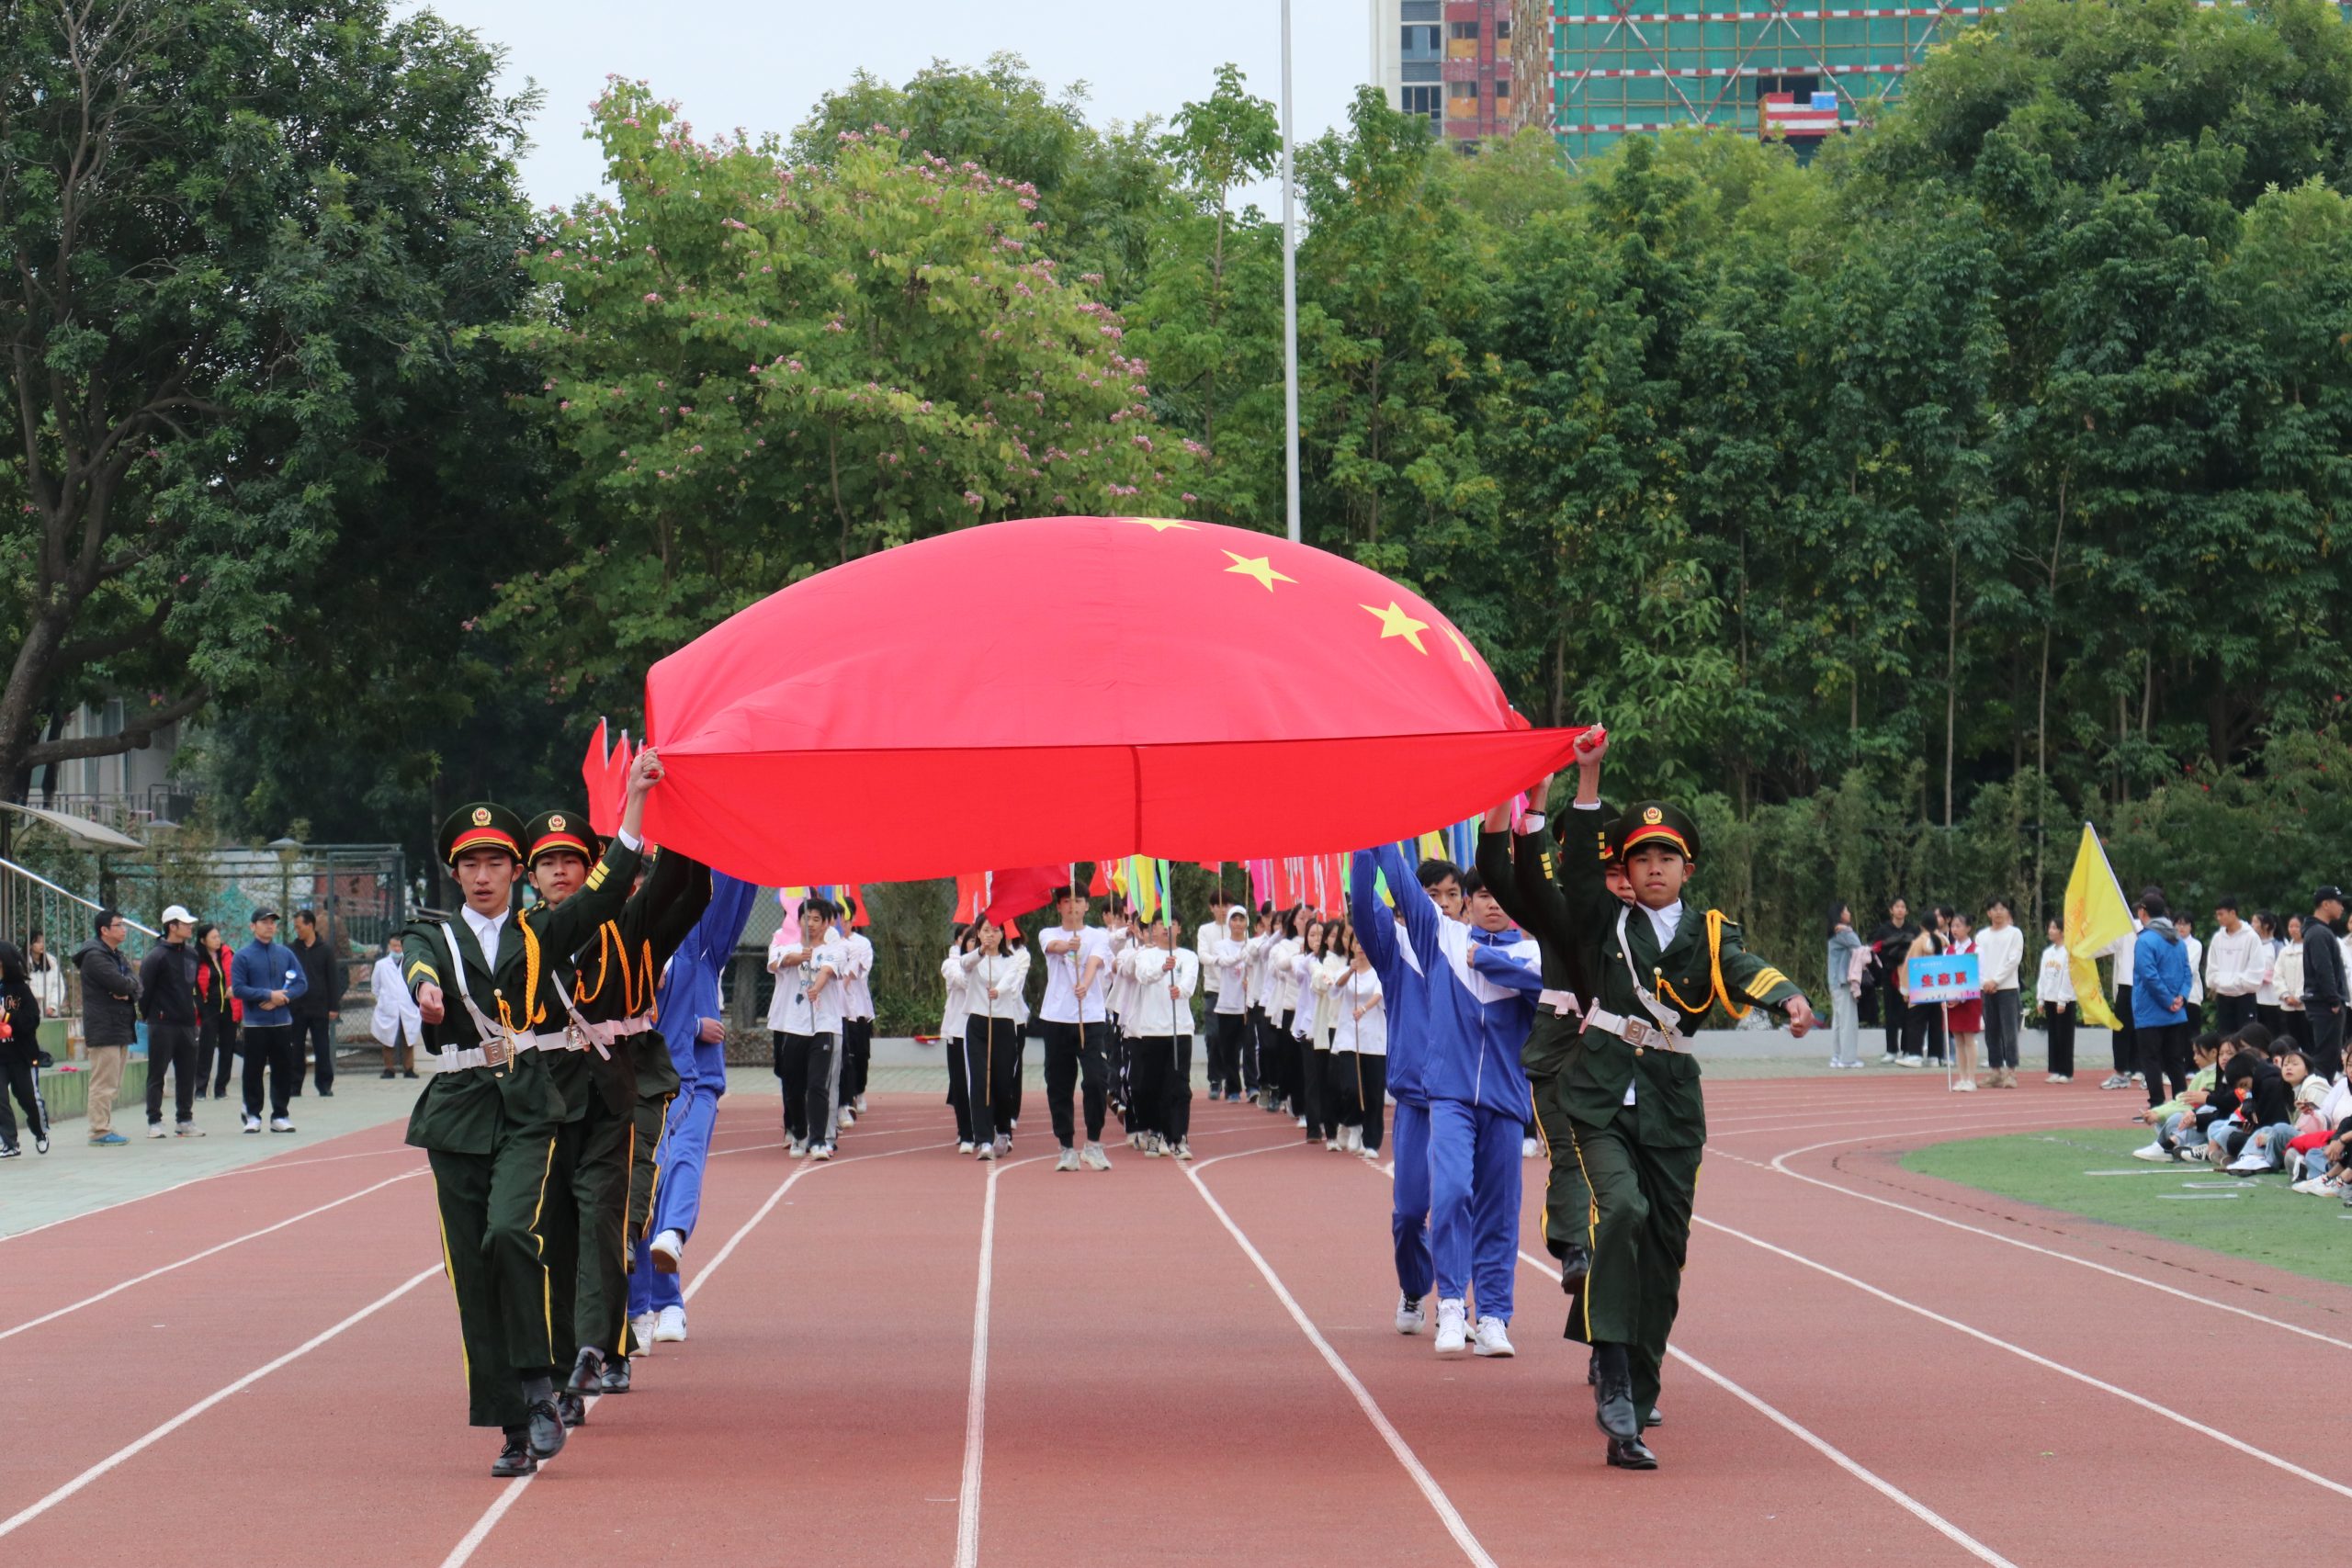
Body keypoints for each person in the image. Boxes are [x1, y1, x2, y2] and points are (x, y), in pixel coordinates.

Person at [1533, 735, 1813, 1470]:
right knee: (1620, 1210)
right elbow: (1575, 860)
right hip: (1597, 1099)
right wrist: (1586, 774)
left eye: (1667, 857)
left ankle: (1639, 1390)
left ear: (1688, 867)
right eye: (1639, 858)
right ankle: (1614, 1376)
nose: (1653, 868)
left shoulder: (1708, 932)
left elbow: (1745, 969)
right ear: (1621, 870)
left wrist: (1786, 995)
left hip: (1670, 1108)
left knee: (1664, 1253)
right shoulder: (1601, 921)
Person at [401, 749, 662, 1478]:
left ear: (516, 871)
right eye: (470, 863)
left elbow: (607, 892)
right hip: (455, 1111)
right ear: (454, 872)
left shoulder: (539, 930)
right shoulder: (434, 933)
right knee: (472, 1273)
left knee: (514, 1235)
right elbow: (415, 962)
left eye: (496, 862)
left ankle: (542, 1381)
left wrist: (635, 803)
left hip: (524, 1104)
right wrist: (425, 991)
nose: (483, 875)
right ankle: (515, 1424)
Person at [527, 814, 710, 1406]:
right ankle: (585, 1357)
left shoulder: (625, 927)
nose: (560, 872)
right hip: (552, 1096)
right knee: (556, 1233)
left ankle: (603, 1349)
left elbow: (688, 886)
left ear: (595, 868)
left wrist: (679, 811)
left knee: (619, 1220)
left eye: (572, 861)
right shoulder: (525, 935)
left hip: (625, 1086)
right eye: (548, 863)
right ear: (532, 876)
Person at [1373, 839, 1541, 1363]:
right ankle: (1450, 1304)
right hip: (1447, 1096)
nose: (1492, 903)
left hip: (1506, 1101)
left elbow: (1555, 993)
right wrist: (1377, 823)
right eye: (1482, 894)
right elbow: (1399, 881)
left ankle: (1492, 1315)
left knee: (1500, 1211)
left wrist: (1491, 962)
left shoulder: (1533, 952)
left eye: (1502, 895)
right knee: (1448, 1194)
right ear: (1465, 904)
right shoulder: (1441, 937)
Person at [638, 871, 759, 1347]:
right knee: (640, 1189)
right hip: (638, 1083)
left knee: (680, 1159)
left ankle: (674, 1238)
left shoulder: (699, 942)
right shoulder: (628, 946)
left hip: (695, 1079)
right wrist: (690, 1023)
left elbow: (734, 883)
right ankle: (651, 1306)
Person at [1037, 886, 1116, 1172]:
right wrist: (1066, 946)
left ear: (1086, 906)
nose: (1072, 906)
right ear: (1059, 906)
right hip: (1057, 1018)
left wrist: (1085, 982)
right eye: (1067, 901)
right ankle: (1066, 1147)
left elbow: (1096, 960)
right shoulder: (1050, 933)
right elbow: (1052, 948)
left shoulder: (1098, 935)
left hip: (1091, 1018)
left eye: (1078, 901)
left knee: (1096, 1080)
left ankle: (1093, 1143)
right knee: (1059, 1083)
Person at [768, 897, 847, 1159]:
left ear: (827, 923)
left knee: (817, 1085)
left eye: (816, 919)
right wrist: (794, 957)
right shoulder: (785, 947)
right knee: (792, 1085)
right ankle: (799, 1134)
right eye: (806, 918)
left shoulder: (835, 949)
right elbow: (777, 964)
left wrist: (816, 987)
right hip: (793, 1026)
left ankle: (817, 1141)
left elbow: (827, 970)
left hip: (824, 1026)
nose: (810, 924)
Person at [1121, 917, 1197, 1159]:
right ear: (1152, 929)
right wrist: (1163, 968)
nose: (1166, 928)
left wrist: (1180, 990)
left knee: (1179, 1086)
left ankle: (1179, 1137)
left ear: (1180, 928)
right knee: (1149, 1086)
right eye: (1161, 923)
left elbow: (1190, 982)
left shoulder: (1188, 956)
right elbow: (1143, 976)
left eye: (1172, 923)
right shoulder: (1146, 955)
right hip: (1151, 1030)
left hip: (1180, 1029)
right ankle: (1156, 1132)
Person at [958, 918, 1030, 1160]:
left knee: (1001, 1081)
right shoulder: (974, 959)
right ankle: (983, 1139)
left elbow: (1012, 981)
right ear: (978, 933)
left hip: (1003, 1024)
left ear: (1003, 935)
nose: (991, 935)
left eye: (996, 930)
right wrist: (980, 950)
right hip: (978, 1024)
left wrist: (998, 990)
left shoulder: (1012, 960)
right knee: (979, 1080)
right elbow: (965, 965)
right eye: (986, 930)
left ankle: (1003, 1131)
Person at [231, 908, 306, 1134]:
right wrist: (266, 995)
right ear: (253, 926)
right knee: (253, 1070)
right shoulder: (243, 956)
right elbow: (239, 988)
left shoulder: (285, 954)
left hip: (282, 1023)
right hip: (255, 1024)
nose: (269, 926)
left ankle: (280, 1115)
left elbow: (301, 983)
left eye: (272, 922)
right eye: (264, 922)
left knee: (283, 1069)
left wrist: (282, 998)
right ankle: (252, 1115)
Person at [74, 908, 141, 1146]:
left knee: (113, 1082)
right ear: (104, 930)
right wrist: (127, 988)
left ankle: (104, 1127)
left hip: (119, 1025)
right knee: (103, 1082)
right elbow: (119, 985)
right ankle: (99, 1130)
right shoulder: (95, 956)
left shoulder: (116, 955)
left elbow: (134, 985)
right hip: (104, 1028)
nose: (123, 929)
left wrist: (128, 989)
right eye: (118, 925)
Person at [140, 905, 204, 1137]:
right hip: (162, 1024)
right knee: (157, 1073)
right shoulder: (156, 956)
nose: (190, 927)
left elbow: (192, 987)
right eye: (185, 923)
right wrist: (149, 1017)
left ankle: (185, 1119)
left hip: (187, 1023)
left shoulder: (192, 954)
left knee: (187, 1073)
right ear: (172, 926)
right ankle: (154, 1121)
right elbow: (144, 992)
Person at [2132, 895, 2193, 1107]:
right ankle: (2181, 1103)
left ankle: (2157, 1105)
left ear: (2142, 911)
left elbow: (2148, 975)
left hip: (2151, 1012)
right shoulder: (2178, 940)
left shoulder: (2145, 940)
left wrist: (2167, 1000)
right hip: (2176, 1013)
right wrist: (2181, 998)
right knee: (2175, 1061)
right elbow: (2188, 972)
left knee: (2151, 1061)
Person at [1334, 930, 1387, 1158]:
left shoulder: (1379, 972)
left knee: (1374, 1093)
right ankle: (1351, 1122)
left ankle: (1372, 1142)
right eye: (1357, 942)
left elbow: (1379, 994)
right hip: (1349, 1038)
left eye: (1365, 942)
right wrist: (1350, 970)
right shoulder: (1348, 970)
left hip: (1373, 1039)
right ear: (1351, 945)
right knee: (1350, 1087)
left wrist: (1363, 1009)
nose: (1361, 946)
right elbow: (1335, 988)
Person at [0, 940, 50, 1156]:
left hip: (21, 1056)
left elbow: (32, 1020)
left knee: (29, 1098)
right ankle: (9, 1143)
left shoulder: (20, 989)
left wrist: (6, 1016)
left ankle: (40, 1132)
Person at [288, 907, 343, 1097]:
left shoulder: (325, 950)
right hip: (297, 1007)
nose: (297, 930)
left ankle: (324, 1084)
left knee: (322, 1047)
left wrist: (334, 1006)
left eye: (299, 926)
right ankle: (295, 1085)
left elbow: (332, 980)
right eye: (295, 927)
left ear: (310, 925)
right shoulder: (291, 950)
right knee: (296, 1047)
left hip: (319, 1007)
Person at [1206, 907, 1253, 1102]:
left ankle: (1253, 1086)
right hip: (1226, 1004)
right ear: (1229, 923)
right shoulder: (1221, 945)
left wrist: (1250, 979)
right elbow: (1224, 962)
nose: (1238, 924)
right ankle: (1233, 1088)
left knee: (1250, 1047)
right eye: (1234, 919)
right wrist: (1240, 956)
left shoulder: (1252, 945)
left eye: (1241, 920)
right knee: (1229, 1050)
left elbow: (1256, 968)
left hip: (1246, 1004)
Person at [1977, 898, 2024, 1089]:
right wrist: (1985, 983)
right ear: (1989, 913)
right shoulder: (1981, 936)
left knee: (2009, 1031)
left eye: (2002, 908)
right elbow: (1977, 961)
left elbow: (2013, 960)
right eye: (1994, 909)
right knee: (1991, 1031)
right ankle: (1995, 1071)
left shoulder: (2014, 933)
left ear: (2007, 912)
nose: (1998, 912)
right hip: (1986, 989)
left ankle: (2011, 1072)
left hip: (2007, 989)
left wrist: (1995, 980)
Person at [2301, 886, 2347, 1081]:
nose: (2342, 907)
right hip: (2325, 1004)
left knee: (2326, 1056)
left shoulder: (2319, 931)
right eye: (2339, 902)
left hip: (2322, 1003)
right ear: (2326, 904)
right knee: (2325, 1058)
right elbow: (2323, 969)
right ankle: (2316, 1102)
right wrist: (2334, 1000)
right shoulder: (2319, 932)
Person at [836, 908, 876, 1122]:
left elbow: (860, 971)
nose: (841, 923)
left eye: (844, 919)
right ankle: (845, 1099)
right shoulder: (829, 944)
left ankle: (859, 1091)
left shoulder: (863, 944)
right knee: (844, 1056)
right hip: (838, 1009)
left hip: (859, 1008)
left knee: (860, 1054)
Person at [941, 925, 978, 1151]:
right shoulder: (951, 964)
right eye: (969, 940)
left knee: (981, 1083)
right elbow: (964, 981)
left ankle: (982, 1128)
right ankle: (965, 1133)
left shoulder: (991, 965)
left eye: (977, 939)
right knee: (960, 1084)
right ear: (961, 943)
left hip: (981, 1030)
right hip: (957, 1031)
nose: (974, 943)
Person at [1866, 900, 1917, 1064]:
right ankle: (1891, 1050)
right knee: (1890, 1013)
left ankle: (1908, 1049)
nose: (1900, 910)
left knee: (1909, 1013)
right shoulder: (1883, 930)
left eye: (1903, 907)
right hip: (1889, 976)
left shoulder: (1912, 929)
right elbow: (1875, 951)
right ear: (1891, 910)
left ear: (1907, 911)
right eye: (1897, 907)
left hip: (1908, 977)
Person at [2101, 901, 2145, 1090]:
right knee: (2122, 1029)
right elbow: (2105, 946)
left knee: (2143, 1030)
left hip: (2145, 985)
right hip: (2127, 985)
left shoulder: (2159, 930)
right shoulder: (2126, 928)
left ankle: (2140, 1069)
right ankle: (2123, 1070)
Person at [193, 923, 240, 1100]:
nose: (218, 940)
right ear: (203, 940)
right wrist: (202, 1008)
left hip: (229, 1008)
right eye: (213, 937)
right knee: (206, 1049)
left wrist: (233, 988)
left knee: (228, 1048)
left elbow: (239, 976)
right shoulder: (196, 959)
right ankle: (201, 1088)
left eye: (219, 936)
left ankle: (221, 1088)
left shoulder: (228, 955)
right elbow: (194, 986)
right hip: (209, 1009)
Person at [1898, 910, 1950, 1066]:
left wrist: (1905, 989)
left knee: (1916, 1022)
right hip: (1939, 988)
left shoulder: (1919, 942)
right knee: (1936, 1022)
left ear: (1921, 926)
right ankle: (1935, 1056)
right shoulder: (1944, 941)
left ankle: (1915, 1055)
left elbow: (1910, 966)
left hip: (1921, 988)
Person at [2207, 899, 2263, 1034]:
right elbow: (2212, 967)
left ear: (2233, 913)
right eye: (2217, 915)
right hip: (2223, 997)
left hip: (2244, 996)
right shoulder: (2217, 938)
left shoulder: (2251, 937)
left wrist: (2237, 984)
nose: (2218, 918)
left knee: (2246, 1037)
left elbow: (2256, 971)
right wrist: (2219, 983)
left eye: (2221, 914)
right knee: (2225, 1037)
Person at [372, 935, 423, 1078]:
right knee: (387, 1039)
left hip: (407, 1006)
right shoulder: (381, 965)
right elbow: (375, 987)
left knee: (408, 1038)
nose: (396, 949)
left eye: (399, 946)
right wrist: (383, 1001)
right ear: (389, 946)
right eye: (393, 946)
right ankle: (389, 1069)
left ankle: (409, 1069)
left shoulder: (411, 963)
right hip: (388, 1007)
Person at [1944, 912, 1984, 1091]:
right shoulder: (1948, 950)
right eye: (1953, 926)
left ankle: (1971, 1078)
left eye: (1959, 926)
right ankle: (1961, 1077)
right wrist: (1944, 998)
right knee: (1957, 1040)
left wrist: (1961, 998)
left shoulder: (1976, 950)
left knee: (1969, 1039)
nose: (1955, 929)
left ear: (1968, 928)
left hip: (1969, 1001)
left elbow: (1978, 976)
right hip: (1952, 1002)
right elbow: (1943, 977)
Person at [2035, 919, 2076, 1083]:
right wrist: (2040, 998)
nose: (2050, 931)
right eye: (2050, 927)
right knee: (2053, 1034)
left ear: (2063, 931)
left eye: (2054, 928)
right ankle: (2055, 1069)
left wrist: (2063, 999)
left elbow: (2068, 977)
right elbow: (2043, 977)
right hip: (2050, 998)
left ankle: (2066, 1071)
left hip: (2064, 1000)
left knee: (2064, 1035)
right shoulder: (2048, 952)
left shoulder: (2068, 952)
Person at [1826, 904, 1863, 1069]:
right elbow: (1859, 947)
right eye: (1846, 910)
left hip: (1835, 982)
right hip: (1843, 982)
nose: (1849, 913)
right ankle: (1847, 1059)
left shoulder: (1835, 932)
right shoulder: (1842, 932)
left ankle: (1837, 1055)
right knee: (1848, 1021)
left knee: (1839, 1021)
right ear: (1840, 915)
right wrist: (1849, 930)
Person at [2253, 912, 2287, 1039]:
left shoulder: (2278, 945)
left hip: (2273, 997)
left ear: (2266, 925)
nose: (2253, 925)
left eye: (2256, 922)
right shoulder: (2254, 944)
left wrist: (2261, 976)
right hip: (2257, 996)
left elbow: (2281, 968)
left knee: (2274, 1031)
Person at [25, 931, 65, 1018]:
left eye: (43, 942)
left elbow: (58, 987)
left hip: (50, 1013)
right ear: (30, 945)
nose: (42, 945)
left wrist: (53, 1006)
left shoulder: (51, 962)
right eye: (38, 942)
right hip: (29, 1014)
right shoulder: (23, 964)